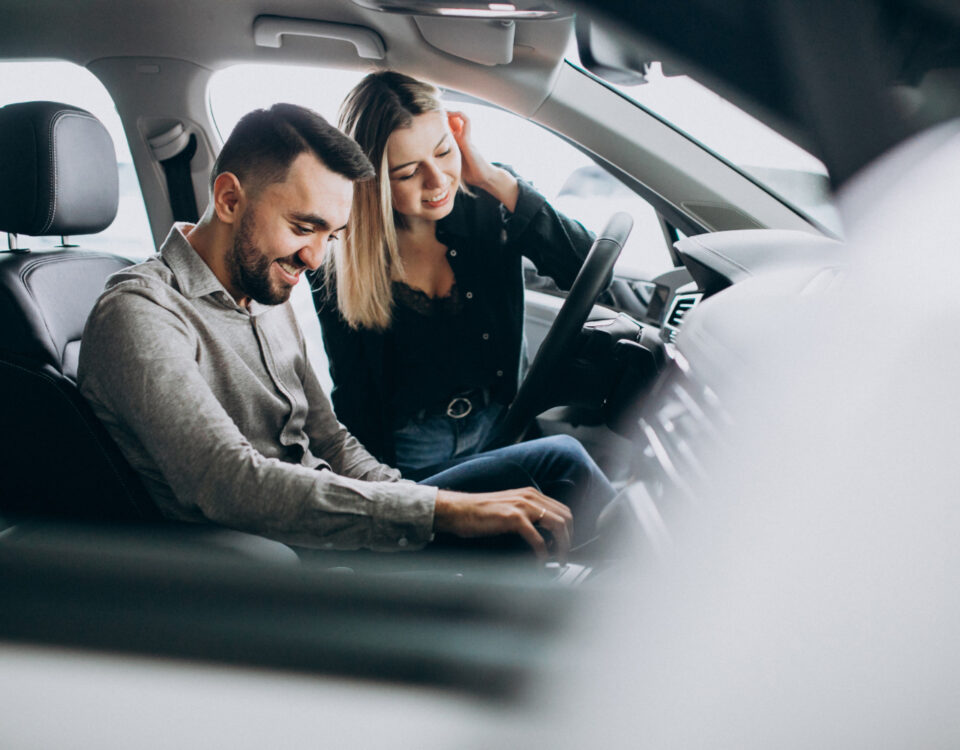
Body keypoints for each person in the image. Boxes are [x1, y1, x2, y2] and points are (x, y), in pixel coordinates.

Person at [78, 103, 612, 559]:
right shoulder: (140, 313)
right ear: (228, 199)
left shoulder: (263, 284)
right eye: (302, 227)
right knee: (547, 486)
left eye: (332, 234)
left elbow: (329, 439)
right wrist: (441, 510)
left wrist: (412, 501)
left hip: (339, 525)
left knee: (555, 467)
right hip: (281, 562)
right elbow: (228, 483)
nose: (314, 257)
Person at [313, 71, 597, 478]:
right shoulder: (339, 255)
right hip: (411, 449)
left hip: (505, 421)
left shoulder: (490, 201)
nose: (436, 180)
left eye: (444, 151)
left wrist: (491, 177)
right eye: (408, 172)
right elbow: (354, 390)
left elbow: (587, 269)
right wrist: (379, 489)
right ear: (372, 184)